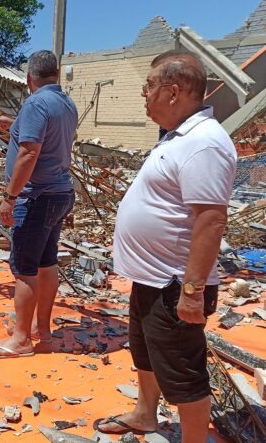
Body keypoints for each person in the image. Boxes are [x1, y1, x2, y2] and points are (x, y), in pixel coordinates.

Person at [96, 49, 236, 442]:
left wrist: (191, 292)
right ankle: (145, 414)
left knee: (183, 371)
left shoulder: (204, 143)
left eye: (149, 87)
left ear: (174, 92)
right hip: (153, 278)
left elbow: (211, 219)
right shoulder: (178, 138)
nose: (144, 95)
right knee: (146, 353)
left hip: (176, 284)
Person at [0, 49, 77, 359]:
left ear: (28, 78)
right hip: (60, 193)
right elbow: (48, 136)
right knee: (46, 263)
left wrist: (9, 198)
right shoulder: (66, 103)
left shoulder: (36, 102)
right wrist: (14, 126)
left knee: (24, 268)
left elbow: (29, 153)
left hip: (36, 197)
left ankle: (21, 340)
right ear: (57, 75)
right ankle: (44, 330)